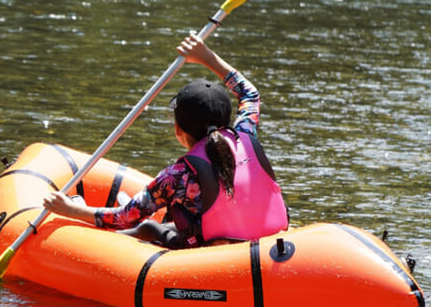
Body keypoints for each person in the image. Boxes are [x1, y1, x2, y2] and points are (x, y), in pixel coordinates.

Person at [42, 33, 288, 248]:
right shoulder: (246, 134)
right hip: (268, 245)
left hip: (217, 257)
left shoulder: (177, 175)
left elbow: (125, 217)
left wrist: (71, 210)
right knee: (170, 223)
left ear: (178, 128)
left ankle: (86, 228)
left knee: (149, 229)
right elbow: (250, 93)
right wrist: (206, 56)